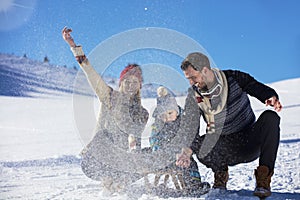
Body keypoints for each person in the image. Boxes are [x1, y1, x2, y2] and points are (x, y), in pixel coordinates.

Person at [175, 52, 282, 198]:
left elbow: (254, 86)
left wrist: (269, 95)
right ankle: (220, 173)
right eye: (188, 79)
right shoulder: (194, 96)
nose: (192, 82)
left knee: (271, 118)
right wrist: (186, 150)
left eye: (193, 77)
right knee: (199, 143)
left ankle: (263, 178)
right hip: (224, 148)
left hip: (249, 142)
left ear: (205, 70)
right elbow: (191, 124)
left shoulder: (233, 78)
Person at [62, 27, 149, 195]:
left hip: (120, 161)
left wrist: (136, 155)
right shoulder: (110, 96)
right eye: (127, 81)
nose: (130, 85)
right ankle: (110, 179)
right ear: (120, 83)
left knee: (146, 154)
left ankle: (117, 181)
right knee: (104, 137)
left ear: (140, 86)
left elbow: (135, 138)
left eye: (135, 82)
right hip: (94, 160)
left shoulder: (142, 112)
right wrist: (74, 47)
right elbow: (90, 73)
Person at [149, 86, 208, 192]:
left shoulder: (182, 122)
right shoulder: (157, 125)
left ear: (176, 110)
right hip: (162, 157)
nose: (166, 118)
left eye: (170, 113)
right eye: (162, 115)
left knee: (189, 163)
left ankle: (193, 184)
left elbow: (186, 137)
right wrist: (161, 152)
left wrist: (184, 151)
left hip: (180, 154)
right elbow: (154, 140)